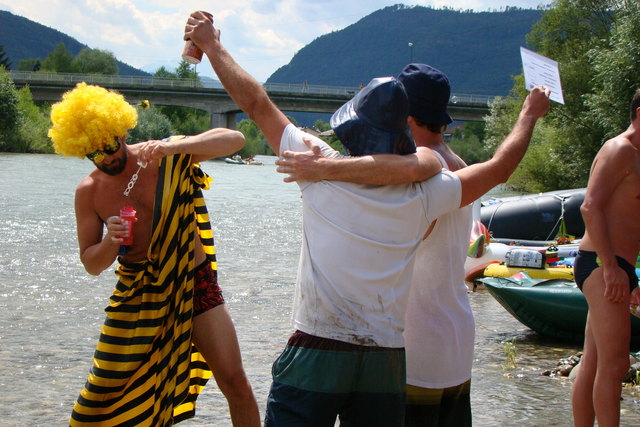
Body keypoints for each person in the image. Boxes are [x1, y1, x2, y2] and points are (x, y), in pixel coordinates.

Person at [185, 10, 549, 426]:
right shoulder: (427, 193)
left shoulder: (316, 169)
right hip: (386, 358)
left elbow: (255, 103)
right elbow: (496, 168)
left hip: (317, 346)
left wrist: (212, 45)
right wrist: (528, 116)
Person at [273, 63, 544, 426]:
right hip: (456, 335)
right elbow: (500, 166)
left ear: (408, 118)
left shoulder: (418, 177)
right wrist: (528, 115)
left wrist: (330, 183)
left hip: (414, 342)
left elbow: (402, 226)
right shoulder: (457, 165)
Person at [48, 82, 260, 426]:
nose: (108, 157)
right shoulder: (88, 192)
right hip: (138, 296)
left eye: (110, 146)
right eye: (95, 154)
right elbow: (91, 264)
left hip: (194, 283)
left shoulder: (163, 155)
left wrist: (174, 147)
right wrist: (110, 241)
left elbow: (234, 140)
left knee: (235, 382)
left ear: (120, 132)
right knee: (97, 403)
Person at [571, 89, 640, 427]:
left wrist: (632, 277)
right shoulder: (620, 149)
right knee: (616, 366)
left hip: (617, 265)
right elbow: (590, 206)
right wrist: (611, 267)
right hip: (601, 263)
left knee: (595, 362)